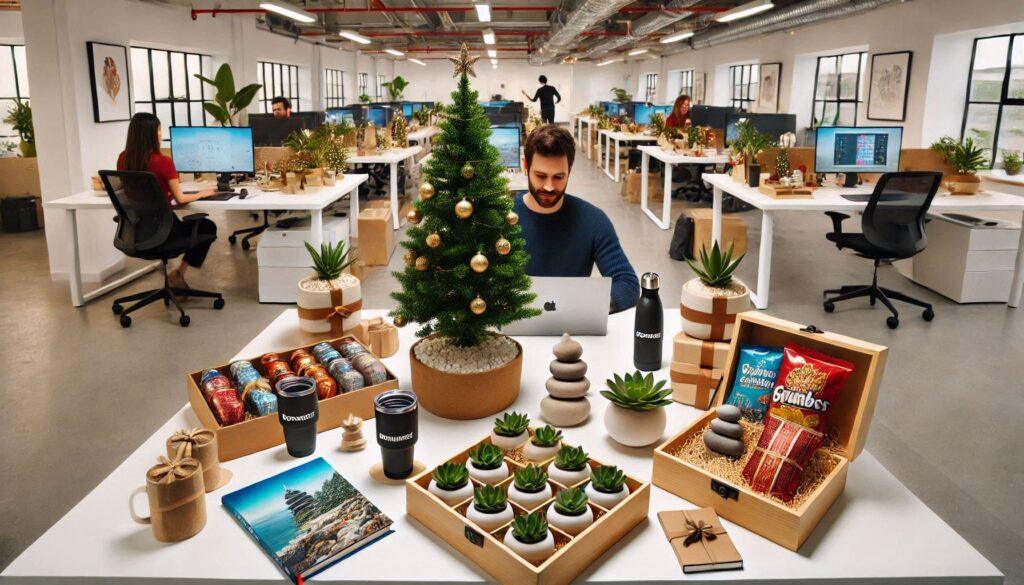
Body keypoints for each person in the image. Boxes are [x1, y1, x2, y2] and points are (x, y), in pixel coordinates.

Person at [513, 125, 639, 313]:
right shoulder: (499, 218)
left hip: (572, 332)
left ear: (570, 170)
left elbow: (627, 285)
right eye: (540, 176)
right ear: (525, 166)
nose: (549, 186)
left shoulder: (593, 221)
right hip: (513, 331)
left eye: (558, 177)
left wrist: (579, 307)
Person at [116, 112, 217, 290]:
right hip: (164, 231)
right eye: (159, 130)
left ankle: (177, 275)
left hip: (136, 231)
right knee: (207, 226)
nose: (161, 134)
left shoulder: (123, 158)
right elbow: (180, 198)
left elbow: (137, 190)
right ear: (152, 134)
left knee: (197, 226)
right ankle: (178, 272)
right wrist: (202, 193)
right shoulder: (164, 162)